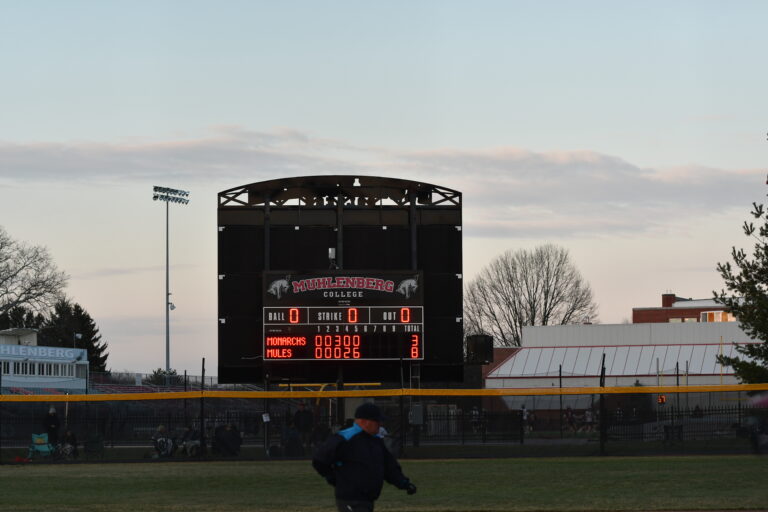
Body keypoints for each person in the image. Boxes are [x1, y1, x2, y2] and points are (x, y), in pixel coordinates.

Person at [313, 403, 417, 512]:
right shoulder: (345, 438)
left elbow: (389, 466)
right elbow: (320, 460)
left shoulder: (375, 440)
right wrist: (334, 479)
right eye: (377, 421)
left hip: (367, 500)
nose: (380, 424)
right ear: (365, 421)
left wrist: (404, 483)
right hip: (350, 500)